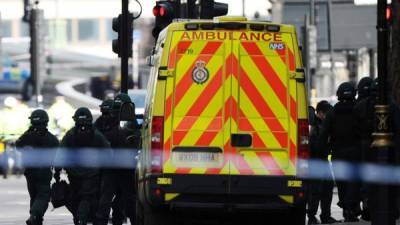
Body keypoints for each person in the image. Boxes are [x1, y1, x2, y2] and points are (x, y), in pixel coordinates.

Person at [55, 107, 110, 225]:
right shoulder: (97, 135)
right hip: (92, 173)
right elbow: (108, 152)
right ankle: (82, 218)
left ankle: (79, 218)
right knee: (87, 197)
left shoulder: (70, 134)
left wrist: (57, 171)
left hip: (73, 173)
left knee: (76, 196)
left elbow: (61, 153)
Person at [318, 82, 361, 222]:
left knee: (342, 182)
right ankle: (352, 208)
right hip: (356, 152)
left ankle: (346, 208)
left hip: (338, 152)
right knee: (354, 182)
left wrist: (322, 150)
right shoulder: (358, 109)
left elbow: (323, 134)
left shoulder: (332, 112)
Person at [94, 94, 137, 225]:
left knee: (120, 197)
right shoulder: (109, 121)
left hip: (117, 166)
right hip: (120, 166)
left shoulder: (124, 122)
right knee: (120, 196)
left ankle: (116, 218)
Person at [16, 109, 59, 225]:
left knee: (34, 195)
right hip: (44, 172)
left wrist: (29, 132)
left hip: (30, 171)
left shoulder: (27, 136)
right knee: (43, 196)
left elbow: (18, 145)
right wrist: (58, 173)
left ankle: (36, 219)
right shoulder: (52, 139)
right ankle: (35, 216)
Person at [307, 101, 338, 224]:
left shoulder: (324, 124)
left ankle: (326, 215)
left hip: (323, 160)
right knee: (315, 190)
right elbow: (314, 145)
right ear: (319, 113)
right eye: (326, 114)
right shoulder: (314, 126)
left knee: (327, 188)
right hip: (315, 161)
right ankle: (311, 216)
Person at [353, 78, 378, 221]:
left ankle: (366, 207)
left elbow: (354, 127)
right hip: (380, 146)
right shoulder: (387, 104)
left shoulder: (359, 106)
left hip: (362, 145)